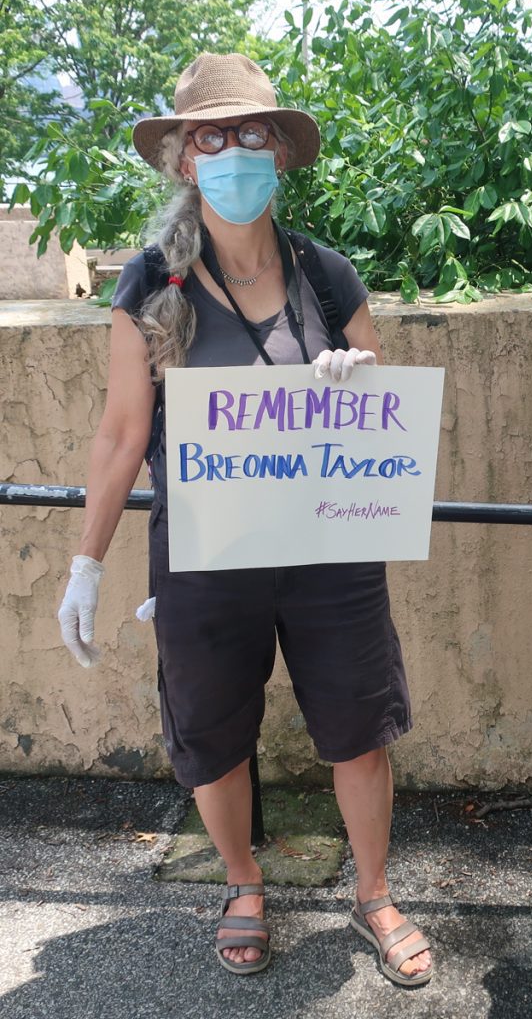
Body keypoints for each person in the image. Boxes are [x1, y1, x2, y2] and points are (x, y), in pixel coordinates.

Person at [55, 52, 432, 986]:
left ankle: (376, 893)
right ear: (185, 160)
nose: (231, 152)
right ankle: (243, 882)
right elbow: (119, 432)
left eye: (249, 134)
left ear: (279, 151)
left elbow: (380, 388)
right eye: (210, 138)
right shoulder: (149, 284)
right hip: (206, 552)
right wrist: (87, 563)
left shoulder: (327, 274)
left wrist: (358, 377)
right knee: (213, 729)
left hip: (328, 547)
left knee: (358, 724)